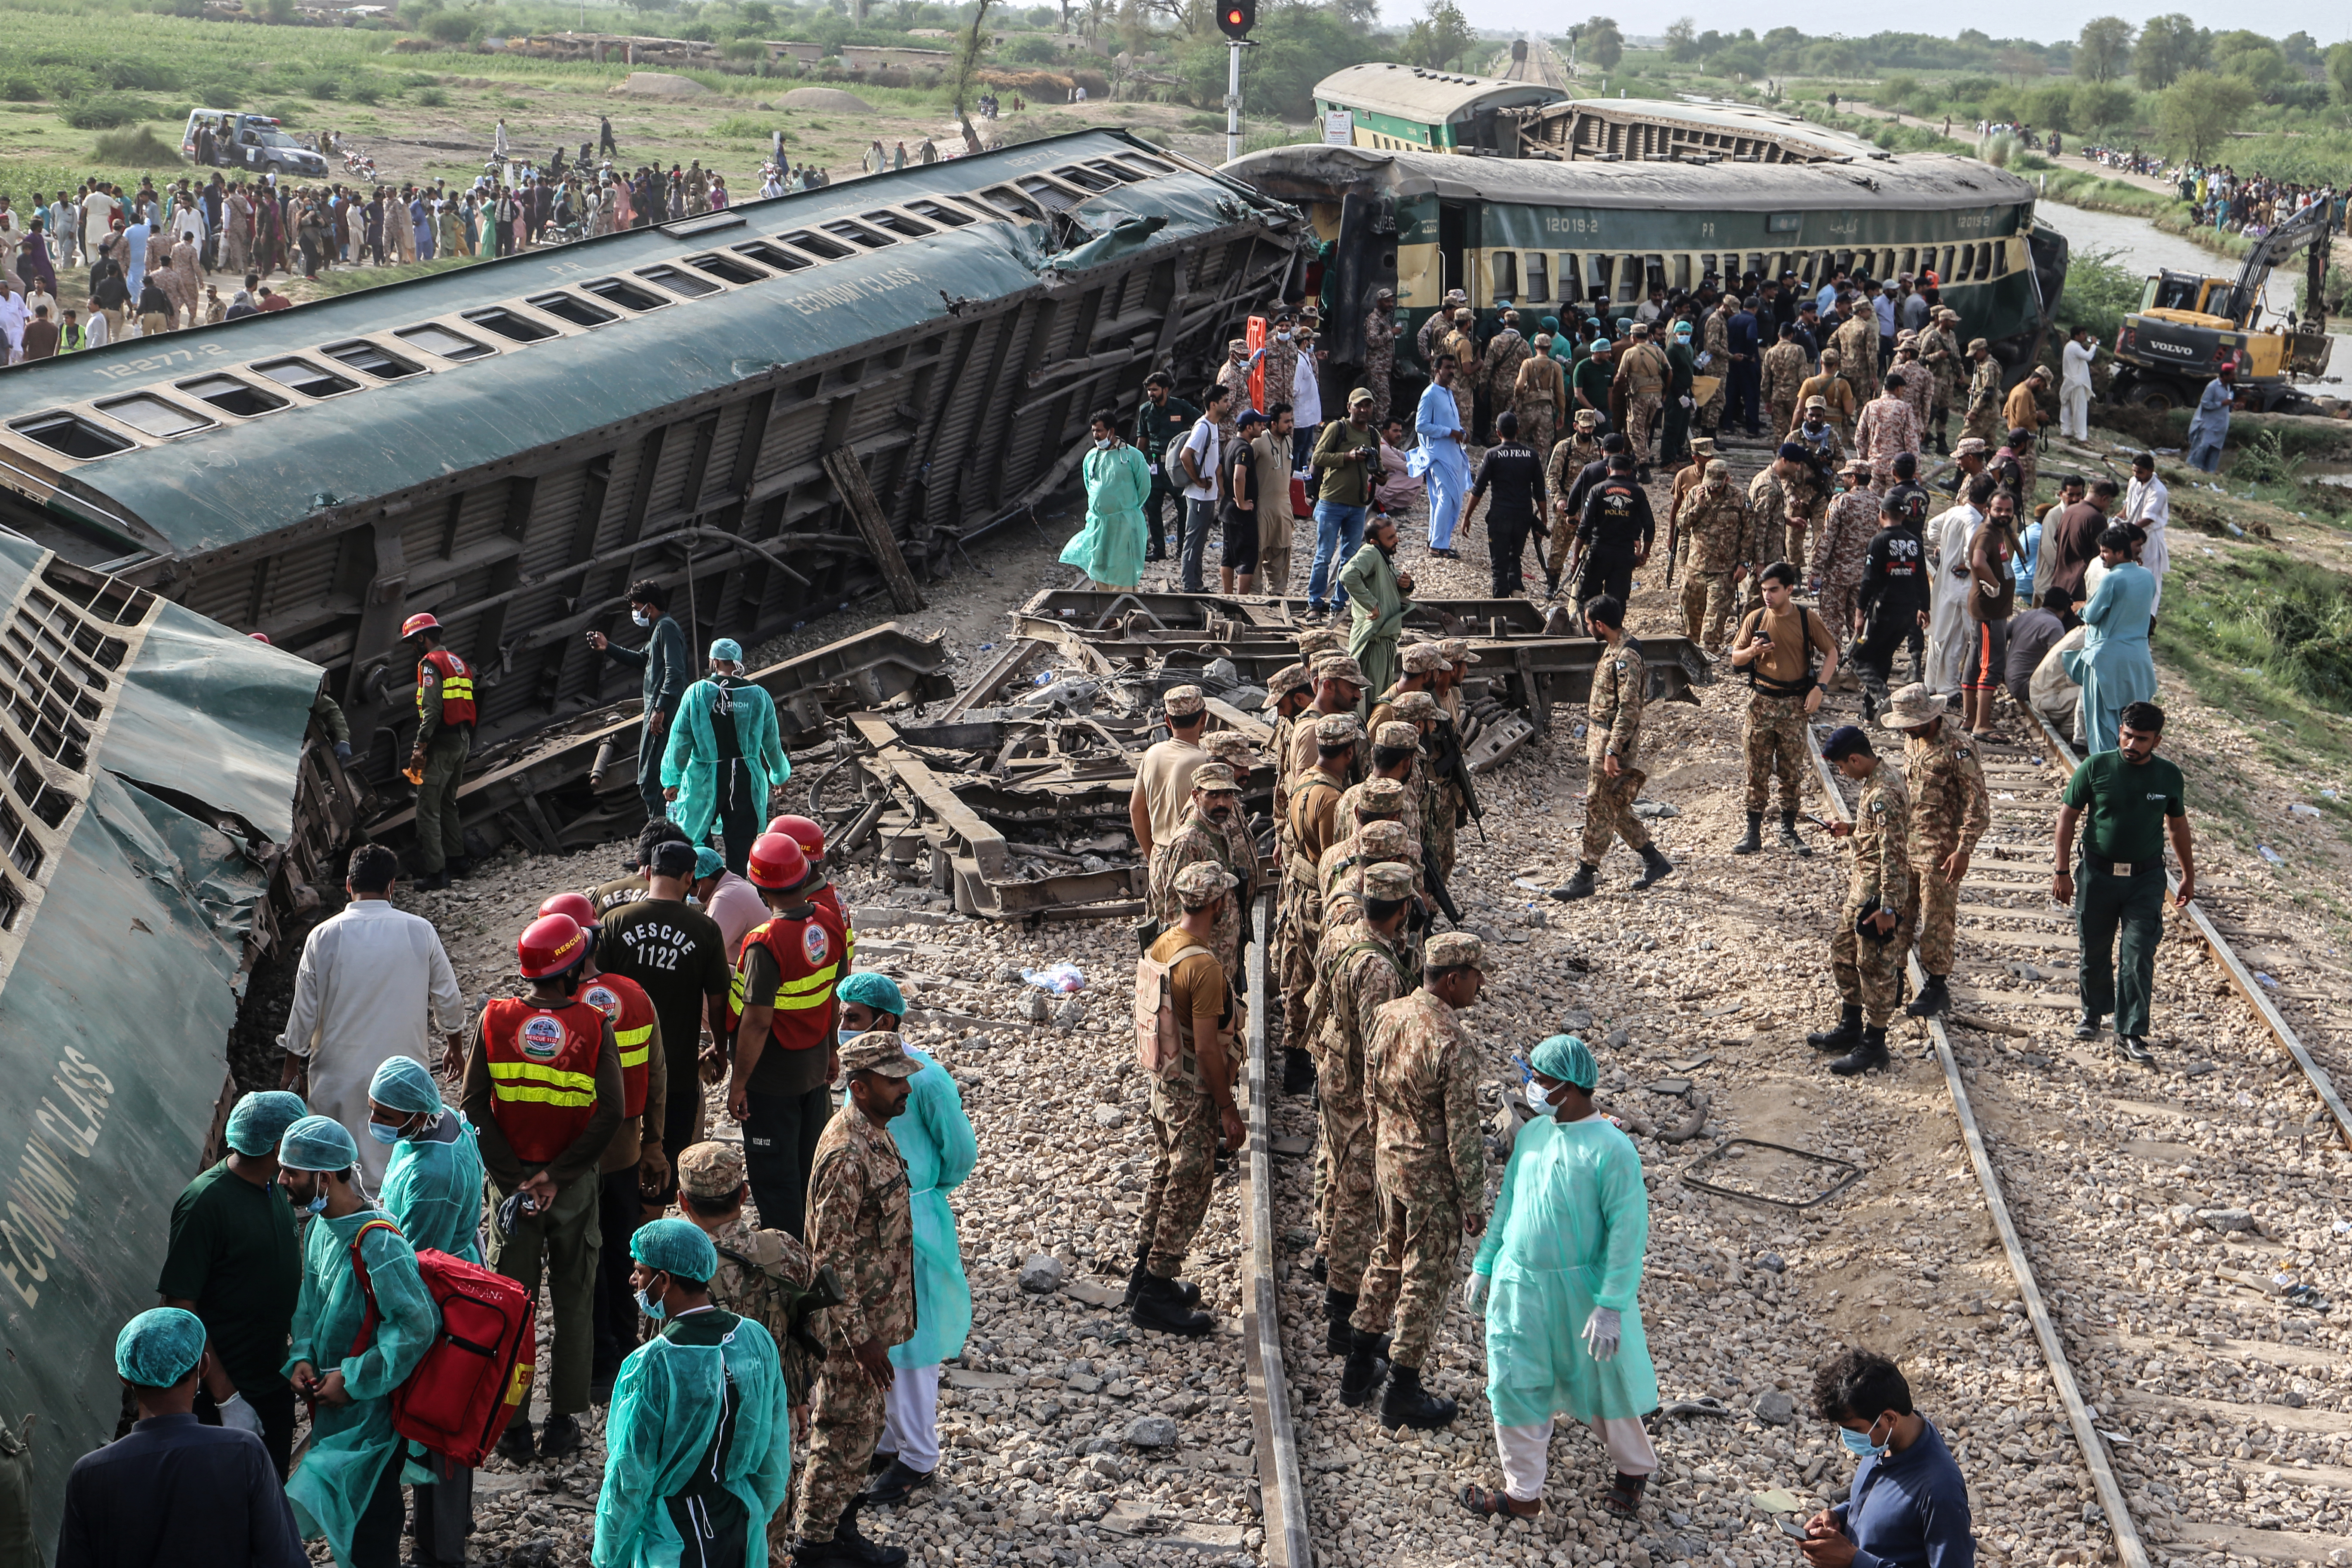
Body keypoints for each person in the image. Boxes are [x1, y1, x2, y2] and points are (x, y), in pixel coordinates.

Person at [1460, 1034, 1658, 1523]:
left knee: (1602, 1383)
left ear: (1568, 1088)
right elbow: (1509, 1204)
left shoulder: (1613, 1150)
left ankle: (1634, 1468)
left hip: (1580, 1295)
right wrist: (1486, 1263)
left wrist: (1611, 1303)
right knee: (1513, 1382)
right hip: (1519, 1286)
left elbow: (1627, 1233)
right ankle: (1522, 1493)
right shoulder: (1533, 1134)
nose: (1531, 1086)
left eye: (1540, 1079)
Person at [463, 914, 626, 1464]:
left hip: (511, 1191)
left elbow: (473, 1105)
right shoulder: (595, 1025)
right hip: (571, 1187)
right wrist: (558, 1176)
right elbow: (612, 1111)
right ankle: (562, 1422)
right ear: (573, 968)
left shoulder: (494, 1019)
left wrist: (514, 1179)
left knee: (512, 1305)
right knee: (575, 1300)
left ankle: (511, 1426)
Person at [832, 973, 974, 1507]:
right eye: (842, 1017)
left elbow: (960, 1152)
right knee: (882, 1332)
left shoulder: (927, 1079)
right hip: (879, 1219)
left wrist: (922, 1194)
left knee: (914, 1339)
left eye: (853, 1019)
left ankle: (919, 1455)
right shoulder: (859, 1072)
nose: (842, 1028)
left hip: (914, 1218)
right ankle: (893, 1440)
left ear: (886, 1022)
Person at [277, 1117, 439, 1568]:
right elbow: (310, 1305)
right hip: (337, 1412)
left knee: (372, 1528)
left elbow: (417, 1326)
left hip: (373, 1416)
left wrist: (352, 1380)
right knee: (348, 1521)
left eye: (292, 1171)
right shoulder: (319, 1228)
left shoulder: (379, 1245)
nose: (283, 1180)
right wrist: (303, 1355)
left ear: (325, 1177)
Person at [1344, 931, 1490, 1430]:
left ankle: (1358, 1364)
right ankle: (1402, 1391)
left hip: (1389, 1161)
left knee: (1387, 1254)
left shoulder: (1387, 1015)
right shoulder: (1452, 1043)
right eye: (1475, 977)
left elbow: (1370, 1092)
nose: (1480, 985)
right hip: (1430, 1178)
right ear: (1453, 980)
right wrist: (1473, 1201)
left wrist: (1385, 1141)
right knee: (1424, 1278)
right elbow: (1463, 1133)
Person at [790, 1032, 923, 1568]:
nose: (905, 1089)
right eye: (894, 1081)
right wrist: (860, 1338)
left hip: (872, 1321)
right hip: (851, 1331)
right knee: (842, 1432)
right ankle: (814, 1545)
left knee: (863, 1430)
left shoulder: (874, 1133)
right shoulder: (848, 1153)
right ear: (861, 1087)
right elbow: (829, 1260)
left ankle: (838, 1528)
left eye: (905, 1078)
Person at [534, 892, 670, 1405]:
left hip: (569, 1160)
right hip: (624, 1153)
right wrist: (654, 1143)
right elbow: (657, 1076)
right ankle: (623, 1353)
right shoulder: (634, 995)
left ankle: (592, 1365)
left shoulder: (547, 1016)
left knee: (577, 1261)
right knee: (620, 1253)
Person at [594, 1219, 791, 1568]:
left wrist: (608, 1558)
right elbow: (774, 1451)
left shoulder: (651, 1364)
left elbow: (629, 1479)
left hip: (674, 1536)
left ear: (664, 1280)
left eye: (640, 1272)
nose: (633, 1281)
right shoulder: (756, 1340)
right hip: (740, 1521)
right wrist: (758, 1513)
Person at [58, 1308, 307, 1568]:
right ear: (204, 1367)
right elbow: (285, 1561)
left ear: (124, 1378)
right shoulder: (244, 1452)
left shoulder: (88, 1475)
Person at [277, 843, 464, 1185]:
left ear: (349, 885)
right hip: (401, 1075)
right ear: (392, 886)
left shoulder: (323, 935)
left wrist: (292, 1068)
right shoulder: (419, 930)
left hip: (338, 1074)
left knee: (337, 1171)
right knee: (400, 1168)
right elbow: (447, 996)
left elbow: (304, 1011)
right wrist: (455, 1046)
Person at [366, 1057, 484, 1568]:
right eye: (374, 1109)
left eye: (385, 1115)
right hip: (456, 1276)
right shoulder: (445, 1122)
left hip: (442, 1300)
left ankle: (441, 1548)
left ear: (416, 1114)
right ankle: (445, 1522)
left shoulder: (431, 1174)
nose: (376, 1122)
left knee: (439, 1421)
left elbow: (411, 1265)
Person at [156, 1090, 307, 1479]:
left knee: (270, 1496)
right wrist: (227, 1398)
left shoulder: (274, 1186)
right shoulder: (205, 1203)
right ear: (277, 1146)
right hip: (226, 1394)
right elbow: (181, 1306)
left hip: (271, 1380)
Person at [1311, 860, 1415, 1364]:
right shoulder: (1379, 970)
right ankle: (1342, 1312)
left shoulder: (1340, 936)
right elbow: (1378, 1050)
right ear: (1402, 909)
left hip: (1333, 1073)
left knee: (1336, 1174)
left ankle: (1326, 1257)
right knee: (1358, 1200)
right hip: (1357, 1091)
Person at [2055, 700, 2193, 1066]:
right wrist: (2062, 871)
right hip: (2097, 875)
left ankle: (2131, 1031)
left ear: (2157, 741)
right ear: (2119, 731)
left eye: (2142, 739)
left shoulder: (2168, 776)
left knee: (2139, 953)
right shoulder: (2096, 767)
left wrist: (2188, 875)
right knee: (2094, 948)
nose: (2132, 745)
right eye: (2128, 736)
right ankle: (2093, 1013)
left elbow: (2178, 826)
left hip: (2145, 879)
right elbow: (2067, 818)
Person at [725, 831, 847, 1238]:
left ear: (759, 887)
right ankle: (816, 1248)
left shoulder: (764, 943)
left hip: (772, 1084)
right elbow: (833, 993)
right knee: (810, 1169)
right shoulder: (829, 920)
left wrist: (738, 1084)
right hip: (814, 1072)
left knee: (776, 1182)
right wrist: (832, 1051)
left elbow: (757, 1023)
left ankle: (789, 1262)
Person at [602, 837, 733, 1190]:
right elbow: (718, 999)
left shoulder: (615, 922)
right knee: (668, 1163)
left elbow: (594, 992)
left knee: (616, 1168)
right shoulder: (705, 929)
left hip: (620, 1071)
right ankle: (655, 1214)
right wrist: (720, 1048)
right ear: (690, 879)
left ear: (648, 873)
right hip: (677, 1071)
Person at [1801, 1348, 1976, 1568]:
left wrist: (1854, 1561)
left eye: (1854, 1430)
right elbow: (1886, 1508)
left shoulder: (1940, 1490)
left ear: (1890, 1418)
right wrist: (1840, 1517)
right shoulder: (1885, 1441)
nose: (1847, 1438)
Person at [1878, 685, 1991, 1022]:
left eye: (1911, 724)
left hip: (1940, 853)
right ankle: (1896, 977)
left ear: (1930, 717)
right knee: (1899, 914)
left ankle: (1937, 986)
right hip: (1908, 845)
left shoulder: (1959, 749)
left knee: (1937, 921)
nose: (1907, 730)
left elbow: (1978, 807)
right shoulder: (1912, 741)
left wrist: (1964, 850)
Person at [1550, 596, 1672, 900]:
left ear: (1600, 625)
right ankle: (1654, 860)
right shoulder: (1615, 649)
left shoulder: (1626, 656)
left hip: (1612, 742)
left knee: (1599, 806)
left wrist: (1613, 750)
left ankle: (1586, 874)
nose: (1588, 628)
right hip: (1602, 738)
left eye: (1589, 624)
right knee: (1613, 805)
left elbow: (1630, 709)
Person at [1807, 726, 1912, 1077]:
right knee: (1844, 954)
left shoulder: (1884, 793)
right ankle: (1851, 1026)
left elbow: (1894, 853)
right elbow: (1878, 832)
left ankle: (1875, 1044)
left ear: (1854, 759)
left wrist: (1888, 908)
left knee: (1876, 969)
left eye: (1841, 767)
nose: (1842, 773)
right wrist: (1850, 828)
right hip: (1863, 891)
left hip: (1877, 896)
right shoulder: (1877, 780)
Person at [1728, 563, 1838, 856]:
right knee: (1756, 770)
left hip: (1794, 704)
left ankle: (1788, 831)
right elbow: (1736, 658)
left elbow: (1832, 652)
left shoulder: (1805, 618)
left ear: (1789, 589)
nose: (1768, 595)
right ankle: (1753, 833)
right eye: (1764, 590)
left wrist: (1820, 688)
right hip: (1762, 702)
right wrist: (1753, 652)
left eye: (1774, 590)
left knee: (1791, 770)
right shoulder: (1756, 618)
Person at [664, 639, 788, 877]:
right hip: (745, 780)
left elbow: (680, 739)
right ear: (737, 662)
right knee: (744, 840)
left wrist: (672, 779)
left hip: (704, 780)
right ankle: (741, 888)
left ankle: (704, 885)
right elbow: (772, 742)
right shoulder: (758, 695)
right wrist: (779, 775)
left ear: (715, 661)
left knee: (696, 836)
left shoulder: (697, 693)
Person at [588, 580, 692, 825]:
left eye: (636, 607)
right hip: (659, 710)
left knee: (652, 778)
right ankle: (664, 834)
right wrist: (607, 647)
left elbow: (675, 671)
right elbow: (641, 659)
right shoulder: (659, 630)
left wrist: (660, 708)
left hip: (663, 713)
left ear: (649, 607)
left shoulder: (666, 628)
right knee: (653, 776)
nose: (635, 613)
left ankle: (661, 836)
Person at [2064, 527, 2158, 754]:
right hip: (2138, 656)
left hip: (2108, 658)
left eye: (2105, 551)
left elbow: (2093, 615)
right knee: (2131, 717)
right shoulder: (2147, 576)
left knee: (2102, 720)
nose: (2102, 556)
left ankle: (2104, 763)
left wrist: (2081, 608)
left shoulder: (2112, 579)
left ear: (2120, 553)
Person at [401, 612, 476, 890]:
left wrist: (420, 746)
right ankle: (459, 862)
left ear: (422, 638)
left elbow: (432, 710)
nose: (413, 647)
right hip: (461, 739)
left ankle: (437, 874)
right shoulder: (457, 662)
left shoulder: (430, 664)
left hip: (441, 744)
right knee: (447, 803)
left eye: (413, 642)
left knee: (427, 810)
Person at [1061, 406, 1151, 591]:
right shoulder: (1091, 457)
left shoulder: (1132, 456)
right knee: (1099, 566)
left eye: (1100, 431)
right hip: (1098, 524)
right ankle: (1105, 607)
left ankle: (1123, 606)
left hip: (1123, 523)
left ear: (1111, 431)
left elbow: (1144, 488)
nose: (1096, 435)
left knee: (1122, 567)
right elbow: (1090, 486)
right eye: (1094, 431)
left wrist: (1125, 509)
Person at [1308, 390, 1380, 618]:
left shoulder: (1374, 435)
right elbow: (1318, 457)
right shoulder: (1337, 429)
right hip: (1332, 502)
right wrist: (1347, 457)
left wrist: (1381, 475)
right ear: (1349, 407)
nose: (1363, 410)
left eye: (1368, 406)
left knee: (1350, 560)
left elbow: (1377, 466)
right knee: (1324, 556)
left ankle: (1338, 606)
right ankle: (1314, 603)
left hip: (1358, 506)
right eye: (1359, 405)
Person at [1675, 458, 1758, 653]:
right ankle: (1693, 654)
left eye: (1717, 486)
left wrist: (1744, 562)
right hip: (1696, 567)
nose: (1713, 489)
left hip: (1724, 571)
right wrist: (1698, 508)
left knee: (1713, 624)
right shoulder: (1695, 494)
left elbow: (1749, 532)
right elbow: (1681, 524)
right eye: (1710, 485)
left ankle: (1709, 653)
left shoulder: (1740, 498)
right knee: (1691, 619)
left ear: (1726, 480)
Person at [1463, 410, 1547, 597]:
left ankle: (1500, 604)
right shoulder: (1532, 455)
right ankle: (1516, 592)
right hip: (1523, 517)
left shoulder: (1492, 455)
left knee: (1499, 564)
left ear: (1498, 432)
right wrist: (1544, 520)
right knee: (1515, 555)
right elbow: (1540, 492)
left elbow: (1478, 489)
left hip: (1500, 516)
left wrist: (1467, 517)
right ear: (1518, 430)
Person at [1129, 684, 1211, 873]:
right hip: (1193, 862)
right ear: (1204, 718)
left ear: (1167, 720)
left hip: (1160, 856)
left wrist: (1153, 858)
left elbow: (1136, 810)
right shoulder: (1205, 763)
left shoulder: (1152, 754)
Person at [1338, 513, 1413, 705]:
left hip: (1384, 642)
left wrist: (1407, 585)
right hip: (1374, 643)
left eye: (1395, 534)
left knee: (1381, 700)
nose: (1397, 540)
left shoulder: (1384, 559)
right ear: (1375, 542)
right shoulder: (1371, 552)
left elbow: (1389, 587)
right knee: (1371, 701)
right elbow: (1348, 576)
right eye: (1391, 537)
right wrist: (1371, 604)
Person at [1568, 453, 1654, 611]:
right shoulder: (1638, 492)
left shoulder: (1597, 490)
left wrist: (1576, 555)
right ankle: (1613, 627)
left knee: (1589, 600)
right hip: (1624, 554)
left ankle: (1590, 626)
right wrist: (1645, 553)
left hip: (1599, 553)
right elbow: (1649, 525)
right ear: (1629, 472)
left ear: (1608, 470)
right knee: (1617, 602)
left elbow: (1585, 526)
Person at [1136, 372, 1200, 564]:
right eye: (1149, 390)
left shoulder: (1181, 407)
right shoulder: (1145, 411)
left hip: (1176, 466)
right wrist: (1137, 464)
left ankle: (1182, 548)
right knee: (1153, 508)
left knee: (1183, 507)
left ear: (1165, 390)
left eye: (1155, 390)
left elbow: (1201, 424)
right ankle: (1159, 550)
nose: (1151, 394)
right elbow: (1143, 439)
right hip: (1155, 464)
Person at [1174, 383, 1230, 592]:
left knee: (1200, 541)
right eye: (1225, 401)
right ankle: (1189, 585)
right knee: (1193, 541)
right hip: (1199, 496)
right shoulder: (1203, 427)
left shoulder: (1213, 426)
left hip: (1208, 496)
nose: (1228, 404)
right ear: (1213, 404)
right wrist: (1198, 481)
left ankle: (1197, 584)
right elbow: (1185, 455)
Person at [1412, 355, 1470, 556]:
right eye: (1448, 368)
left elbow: (1449, 422)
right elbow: (1421, 426)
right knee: (1448, 498)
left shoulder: (1448, 393)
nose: (1452, 371)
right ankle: (1438, 546)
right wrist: (1449, 432)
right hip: (1438, 455)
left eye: (1453, 368)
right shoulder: (1430, 395)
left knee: (1441, 499)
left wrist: (1460, 432)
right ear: (1437, 370)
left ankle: (1435, 540)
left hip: (1451, 454)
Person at [2121, 451, 2170, 614]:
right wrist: (2120, 518)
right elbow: (2128, 504)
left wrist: (2128, 530)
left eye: (2140, 472)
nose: (2136, 475)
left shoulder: (2158, 491)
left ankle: (2148, 615)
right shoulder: (2133, 481)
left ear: (2151, 471)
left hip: (2149, 539)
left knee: (2148, 576)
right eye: (2134, 471)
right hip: (2130, 535)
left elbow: (2148, 518)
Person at [2059, 325, 2099, 440]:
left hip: (2070, 381)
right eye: (2083, 334)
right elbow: (2088, 356)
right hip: (2077, 383)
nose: (2086, 336)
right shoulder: (2075, 347)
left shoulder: (2070, 346)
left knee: (2067, 407)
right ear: (2076, 336)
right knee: (2080, 410)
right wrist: (2094, 345)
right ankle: (2081, 437)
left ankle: (2066, 431)